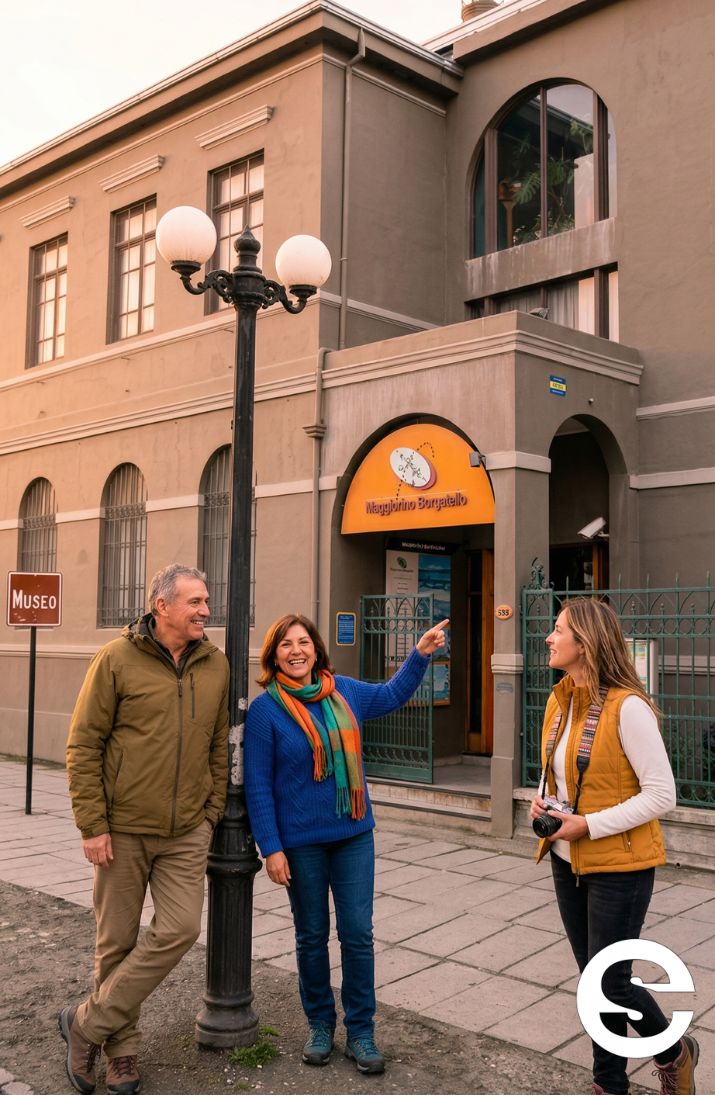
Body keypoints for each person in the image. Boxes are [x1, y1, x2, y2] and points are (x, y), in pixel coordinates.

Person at [244, 612, 448, 1075]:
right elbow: (257, 785)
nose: (296, 651)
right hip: (300, 844)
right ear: (274, 655)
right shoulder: (266, 711)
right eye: (285, 645)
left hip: (354, 834)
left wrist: (419, 654)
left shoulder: (346, 692)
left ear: (316, 649)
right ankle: (320, 1024)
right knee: (311, 937)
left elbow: (393, 695)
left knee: (357, 935)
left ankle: (361, 1032)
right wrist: (270, 848)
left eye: (303, 643)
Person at [60, 564, 229, 1095]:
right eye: (196, 602)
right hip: (122, 829)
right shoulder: (115, 659)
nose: (206, 610)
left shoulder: (215, 664)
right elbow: (83, 745)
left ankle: (86, 1023)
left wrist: (211, 811)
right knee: (117, 942)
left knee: (180, 929)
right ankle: (122, 1052)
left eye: (206, 602)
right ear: (162, 606)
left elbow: (219, 743)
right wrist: (93, 824)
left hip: (186, 830)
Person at [529, 597, 697, 1095]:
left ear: (584, 642)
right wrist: (544, 806)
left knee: (611, 982)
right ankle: (637, 1069)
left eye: (557, 630)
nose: (549, 638)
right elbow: (562, 775)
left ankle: (649, 1063)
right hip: (565, 859)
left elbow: (662, 794)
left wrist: (588, 825)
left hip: (620, 866)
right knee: (594, 982)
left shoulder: (628, 707)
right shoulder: (559, 701)